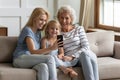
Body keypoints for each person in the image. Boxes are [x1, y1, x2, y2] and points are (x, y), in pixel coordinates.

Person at [13, 7, 58, 80]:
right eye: (41, 19)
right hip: (20, 59)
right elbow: (33, 51)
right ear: (34, 18)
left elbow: (39, 51)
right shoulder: (27, 30)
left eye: (45, 20)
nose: (43, 23)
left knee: (43, 67)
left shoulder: (38, 32)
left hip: (31, 59)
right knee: (50, 58)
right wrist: (51, 48)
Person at [56, 5, 99, 80]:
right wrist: (62, 57)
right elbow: (61, 51)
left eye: (67, 18)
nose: (64, 21)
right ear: (58, 18)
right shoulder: (58, 34)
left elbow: (86, 47)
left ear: (71, 19)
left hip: (87, 55)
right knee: (84, 55)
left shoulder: (79, 29)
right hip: (74, 62)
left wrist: (72, 56)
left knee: (84, 54)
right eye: (61, 18)